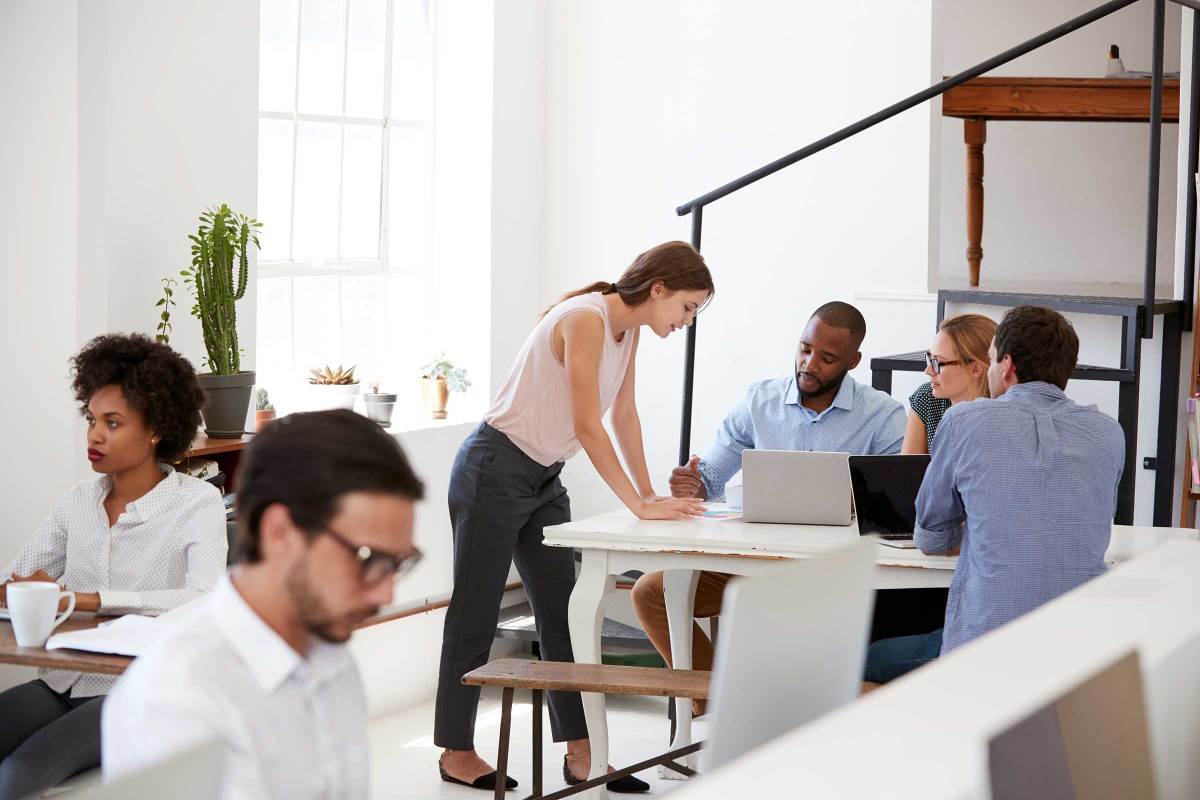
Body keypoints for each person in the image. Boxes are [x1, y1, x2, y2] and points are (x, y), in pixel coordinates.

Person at [435, 241, 713, 793]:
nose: (686, 321)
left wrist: (649, 493)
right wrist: (636, 507)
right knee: (474, 610)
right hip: (495, 466)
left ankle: (583, 752)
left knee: (565, 612)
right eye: (687, 307)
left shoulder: (627, 330)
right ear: (658, 289)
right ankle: (455, 750)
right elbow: (590, 425)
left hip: (541, 477)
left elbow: (625, 415)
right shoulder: (586, 319)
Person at [103, 410, 424, 798]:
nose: (386, 594)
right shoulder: (175, 700)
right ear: (280, 532)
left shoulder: (331, 658)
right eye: (368, 559)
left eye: (397, 564)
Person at [632, 301, 906, 711]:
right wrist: (694, 483)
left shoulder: (883, 417)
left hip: (828, 577)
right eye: (804, 349)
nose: (809, 364)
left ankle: (751, 710)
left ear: (853, 361)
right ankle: (722, 703)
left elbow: (891, 511)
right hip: (751, 565)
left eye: (827, 358)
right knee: (651, 591)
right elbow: (709, 478)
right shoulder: (760, 401)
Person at [0, 333, 227, 798]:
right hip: (62, 677)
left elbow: (203, 598)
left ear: (155, 430)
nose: (95, 435)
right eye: (91, 420)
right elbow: (15, 578)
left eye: (113, 422)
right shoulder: (78, 501)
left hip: (138, 691)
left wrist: (84, 599)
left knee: (15, 775)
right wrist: (21, 590)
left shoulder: (197, 503)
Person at [864, 306, 1124, 685]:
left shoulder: (965, 421)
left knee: (867, 658)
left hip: (986, 647)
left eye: (989, 360)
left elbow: (931, 537)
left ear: (1006, 365)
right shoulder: (1108, 433)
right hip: (1078, 646)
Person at [901, 313, 998, 454]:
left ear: (975, 369)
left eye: (938, 362)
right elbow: (906, 473)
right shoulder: (926, 398)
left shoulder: (1006, 413)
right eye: (930, 359)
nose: (928, 371)